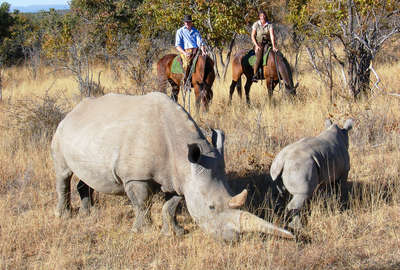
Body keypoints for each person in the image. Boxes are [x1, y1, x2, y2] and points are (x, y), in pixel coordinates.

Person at [175, 14, 207, 84]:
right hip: (186, 51)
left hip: (196, 51)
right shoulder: (180, 31)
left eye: (189, 22)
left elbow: (200, 42)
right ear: (184, 22)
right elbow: (177, 45)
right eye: (186, 22)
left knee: (206, 62)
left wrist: (203, 51)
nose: (188, 23)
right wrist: (184, 53)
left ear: (191, 22)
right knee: (186, 64)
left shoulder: (195, 31)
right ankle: (186, 81)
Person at [251, 10, 278, 82]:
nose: (262, 17)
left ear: (265, 16)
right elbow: (253, 36)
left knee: (274, 55)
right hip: (259, 43)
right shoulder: (256, 24)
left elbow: (272, 35)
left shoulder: (269, 25)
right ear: (259, 17)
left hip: (267, 43)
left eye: (263, 16)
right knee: (259, 56)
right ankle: (255, 75)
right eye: (261, 16)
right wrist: (256, 45)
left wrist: (274, 46)